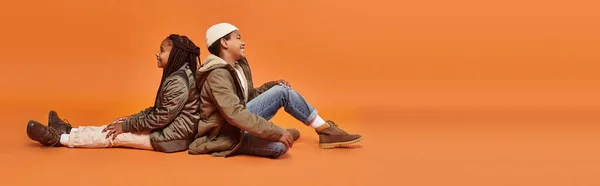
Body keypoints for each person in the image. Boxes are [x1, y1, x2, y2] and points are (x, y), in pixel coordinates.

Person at [187, 23, 362, 158]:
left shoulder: (236, 68)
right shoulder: (217, 75)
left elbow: (247, 98)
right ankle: (313, 131)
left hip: (237, 126)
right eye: (238, 38)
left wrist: (269, 87)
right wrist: (276, 132)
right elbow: (234, 113)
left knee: (280, 92)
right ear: (224, 43)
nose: (243, 42)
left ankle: (325, 131)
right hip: (226, 134)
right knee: (280, 147)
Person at [26, 34, 202, 153]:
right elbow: (159, 110)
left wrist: (127, 126)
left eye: (162, 51)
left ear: (176, 55)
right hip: (165, 130)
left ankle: (58, 139)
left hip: (169, 138)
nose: (157, 53)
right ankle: (70, 130)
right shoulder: (177, 75)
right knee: (116, 124)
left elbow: (161, 118)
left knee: (115, 135)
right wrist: (130, 119)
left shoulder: (178, 82)